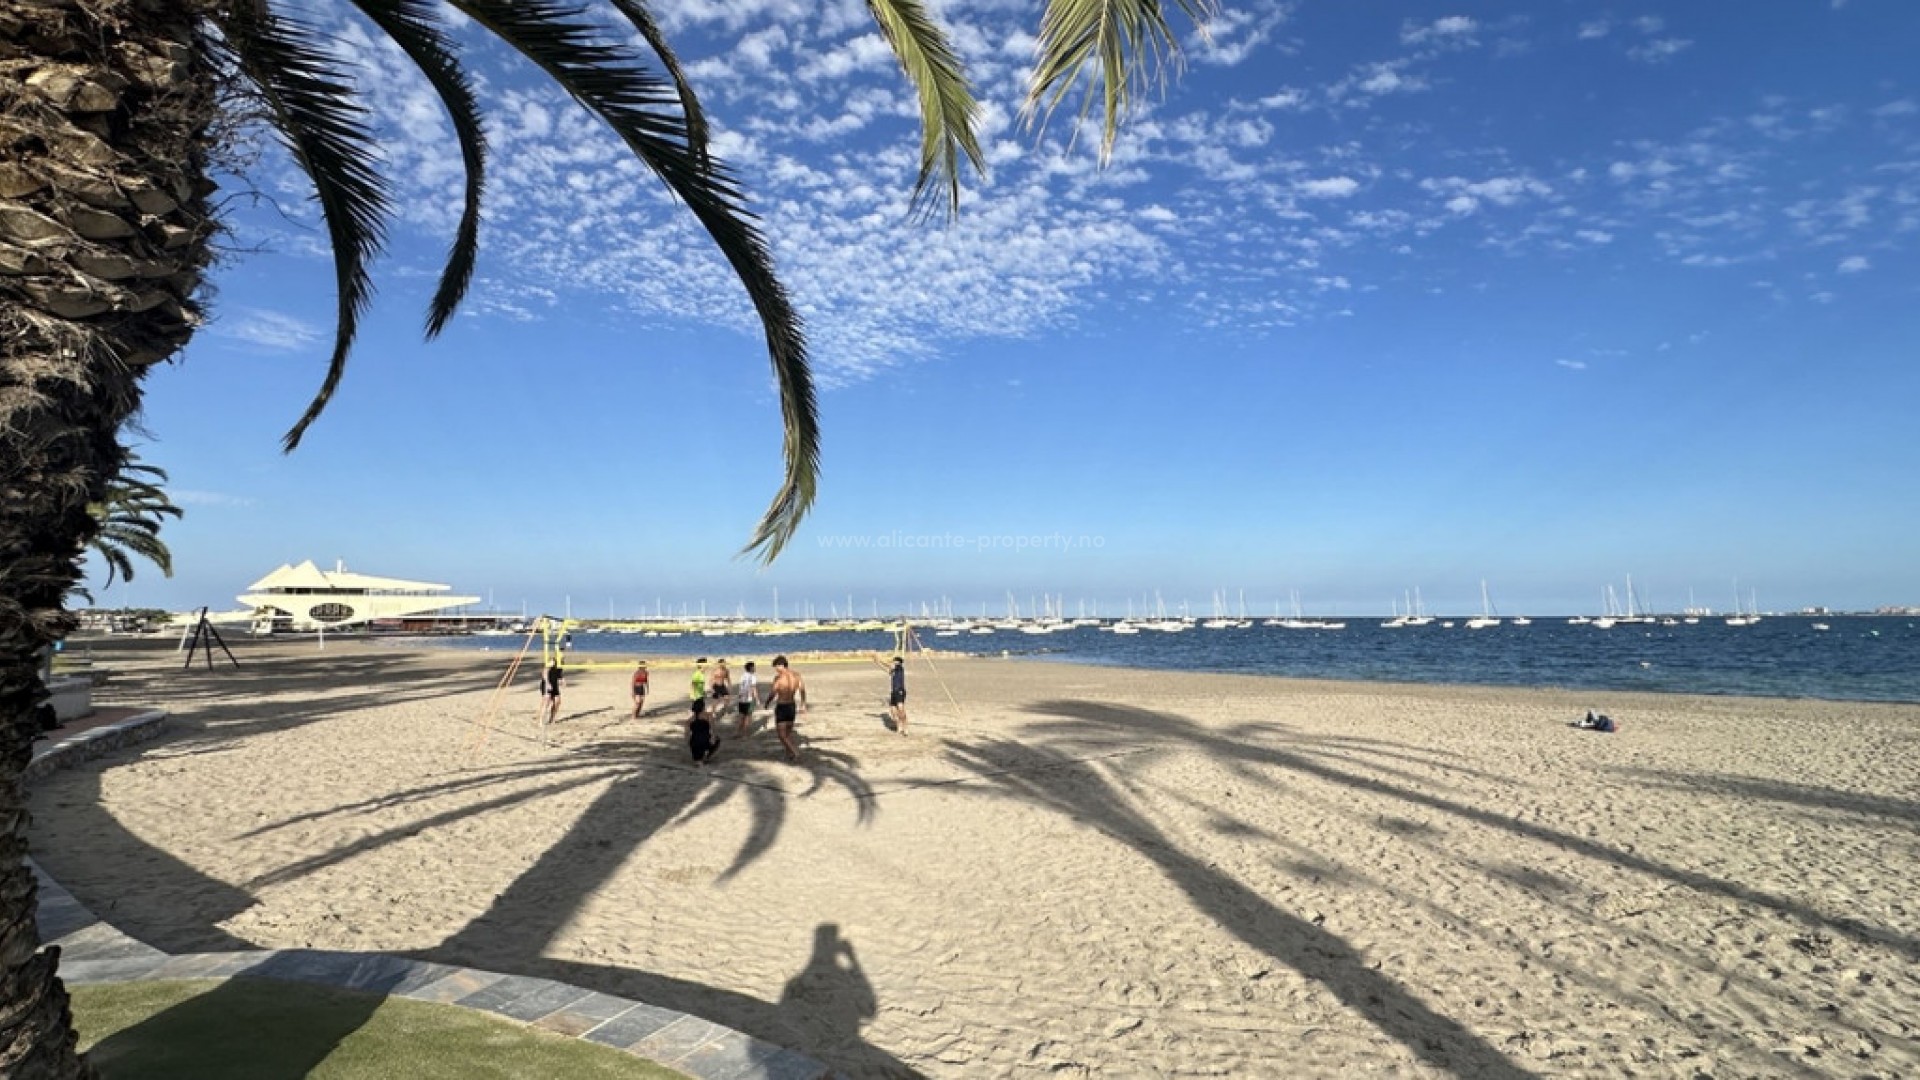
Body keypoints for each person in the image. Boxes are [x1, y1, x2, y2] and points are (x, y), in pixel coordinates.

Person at [770, 655, 807, 763]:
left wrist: (767, 702)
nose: (776, 670)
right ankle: (789, 754)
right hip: (792, 706)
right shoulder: (797, 675)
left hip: (782, 706)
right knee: (788, 733)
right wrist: (803, 704)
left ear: (782, 665)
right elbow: (802, 690)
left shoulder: (778, 678)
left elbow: (773, 692)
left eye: (776, 667)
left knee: (782, 735)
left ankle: (795, 752)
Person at [871, 654, 908, 735]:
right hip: (893, 692)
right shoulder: (893, 671)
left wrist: (879, 658)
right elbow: (885, 669)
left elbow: (888, 665)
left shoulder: (900, 668)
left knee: (901, 709)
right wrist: (877, 662)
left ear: (898, 662)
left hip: (900, 691)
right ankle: (899, 728)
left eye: (894, 661)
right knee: (893, 712)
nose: (892, 662)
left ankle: (905, 728)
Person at [734, 660, 760, 738]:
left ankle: (737, 733)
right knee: (747, 717)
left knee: (741, 717)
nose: (755, 668)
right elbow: (753, 689)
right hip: (749, 699)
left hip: (741, 699)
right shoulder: (753, 677)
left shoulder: (742, 676)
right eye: (754, 667)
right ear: (751, 668)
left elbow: (741, 687)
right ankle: (745, 734)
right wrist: (757, 699)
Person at [539, 660, 564, 724]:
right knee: (547, 701)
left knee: (557, 701)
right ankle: (541, 720)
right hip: (547, 684)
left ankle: (552, 719)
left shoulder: (560, 663)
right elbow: (544, 672)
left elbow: (559, 674)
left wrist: (562, 680)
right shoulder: (552, 661)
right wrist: (547, 683)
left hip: (554, 684)